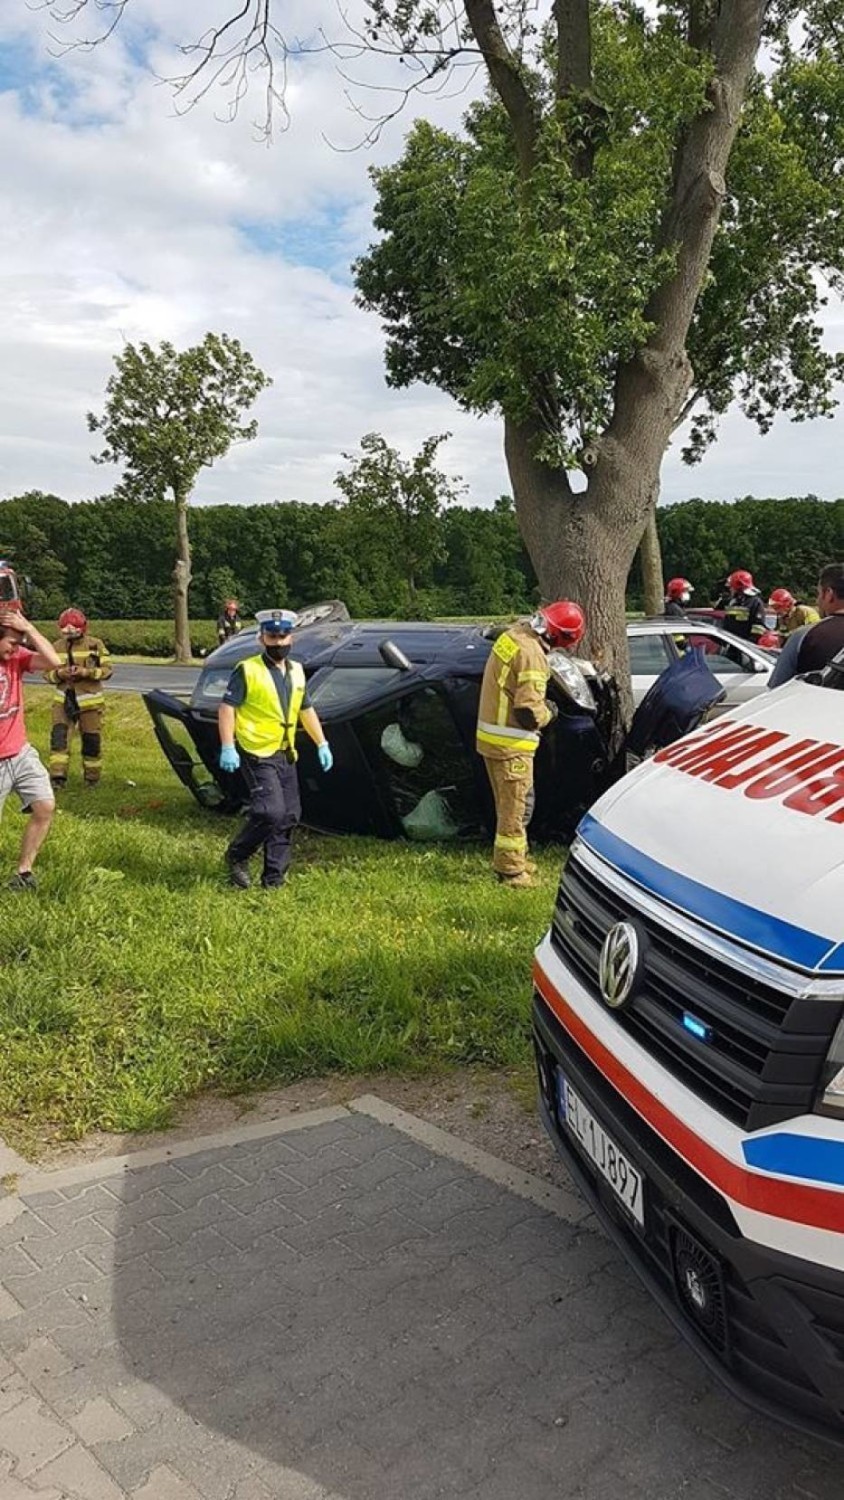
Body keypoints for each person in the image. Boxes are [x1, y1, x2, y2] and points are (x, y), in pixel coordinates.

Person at [217, 608, 333, 889]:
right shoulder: (247, 670)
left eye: (283, 636)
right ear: (262, 638)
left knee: (289, 815)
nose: (279, 642)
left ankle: (274, 880)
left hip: (285, 752)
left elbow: (305, 708)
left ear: (291, 637)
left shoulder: (296, 671)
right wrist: (228, 746)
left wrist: (322, 743)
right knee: (269, 812)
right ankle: (237, 856)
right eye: (272, 636)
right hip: (257, 751)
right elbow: (227, 708)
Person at [476, 601, 586, 889]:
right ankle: (512, 872)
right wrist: (549, 712)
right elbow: (527, 712)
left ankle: (517, 858)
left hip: (492, 739)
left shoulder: (514, 636)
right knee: (517, 808)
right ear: (561, 637)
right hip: (511, 743)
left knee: (511, 804)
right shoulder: (532, 655)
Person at [0, 608, 61, 890]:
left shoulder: (17, 660)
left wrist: (29, 628)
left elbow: (53, 661)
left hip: (20, 752)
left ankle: (24, 872)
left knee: (45, 805)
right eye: (12, 642)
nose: (16, 648)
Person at [44, 608, 112, 788]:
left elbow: (107, 671)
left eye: (73, 630)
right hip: (63, 701)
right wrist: (60, 674)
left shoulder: (95, 645)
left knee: (91, 741)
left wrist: (86, 672)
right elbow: (46, 675)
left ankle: (92, 778)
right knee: (59, 738)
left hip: (89, 702)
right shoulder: (56, 646)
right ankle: (57, 777)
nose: (69, 634)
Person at [768, 562, 844, 689]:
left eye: (819, 593)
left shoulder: (805, 635)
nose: (817, 600)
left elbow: (777, 688)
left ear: (829, 594)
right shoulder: (786, 620)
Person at [721, 569, 767, 641]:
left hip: (745, 646)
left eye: (731, 587)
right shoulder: (733, 601)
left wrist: (750, 644)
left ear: (739, 587)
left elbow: (758, 628)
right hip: (731, 643)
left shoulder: (755, 603)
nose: (730, 589)